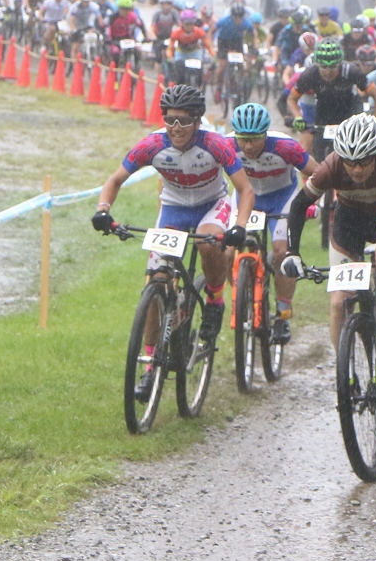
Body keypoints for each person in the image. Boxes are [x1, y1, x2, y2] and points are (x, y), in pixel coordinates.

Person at [92, 85, 255, 399]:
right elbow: (114, 180)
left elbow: (245, 190)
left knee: (209, 244)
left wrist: (240, 225)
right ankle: (149, 364)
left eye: (183, 121)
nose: (176, 128)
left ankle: (215, 301)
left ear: (197, 120)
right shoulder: (153, 144)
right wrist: (103, 210)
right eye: (170, 120)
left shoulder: (215, 144)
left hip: (212, 205)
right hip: (173, 210)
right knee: (157, 281)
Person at [282, 114, 376, 351]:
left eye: (363, 161)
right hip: (349, 227)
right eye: (350, 162)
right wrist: (292, 252)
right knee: (340, 303)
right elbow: (299, 205)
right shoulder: (332, 166)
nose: (357, 169)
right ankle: (345, 372)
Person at [227, 103, 318, 343]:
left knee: (280, 251)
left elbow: (318, 173)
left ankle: (283, 314)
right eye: (243, 139)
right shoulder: (226, 146)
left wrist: (310, 203)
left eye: (255, 139)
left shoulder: (285, 147)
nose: (248, 146)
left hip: (282, 199)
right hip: (245, 197)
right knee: (227, 250)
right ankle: (242, 294)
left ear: (265, 134)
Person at [287, 40, 376, 158]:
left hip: (350, 110)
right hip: (325, 111)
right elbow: (292, 99)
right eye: (324, 67)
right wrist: (298, 117)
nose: (328, 71)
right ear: (317, 63)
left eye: (333, 67)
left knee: (358, 153)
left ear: (339, 63)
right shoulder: (310, 74)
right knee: (318, 153)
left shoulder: (350, 71)